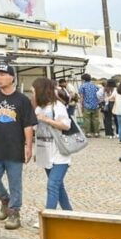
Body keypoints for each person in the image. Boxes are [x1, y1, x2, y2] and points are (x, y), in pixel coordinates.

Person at [0, 64, 36, 230]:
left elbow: (28, 125)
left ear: (12, 78)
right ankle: (5, 199)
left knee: (15, 182)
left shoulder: (22, 100)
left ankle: (14, 212)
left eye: (3, 74)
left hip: (15, 147)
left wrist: (28, 146)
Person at [33, 77, 74, 219]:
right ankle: (69, 213)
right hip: (45, 151)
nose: (32, 94)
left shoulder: (57, 106)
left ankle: (47, 218)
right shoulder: (39, 108)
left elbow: (66, 125)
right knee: (58, 186)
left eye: (34, 91)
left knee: (52, 185)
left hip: (60, 151)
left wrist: (47, 120)